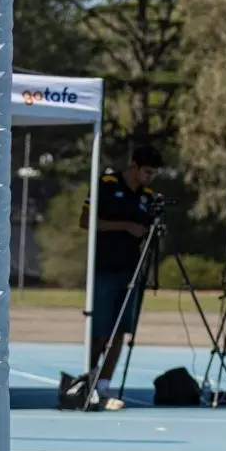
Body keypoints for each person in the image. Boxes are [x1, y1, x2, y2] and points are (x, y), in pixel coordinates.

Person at [79, 144, 164, 411]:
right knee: (101, 330)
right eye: (146, 172)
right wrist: (125, 227)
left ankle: (104, 384)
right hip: (105, 267)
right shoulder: (106, 184)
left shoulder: (147, 195)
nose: (149, 178)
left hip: (132, 270)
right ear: (134, 165)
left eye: (154, 174)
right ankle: (88, 381)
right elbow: (85, 220)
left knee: (120, 332)